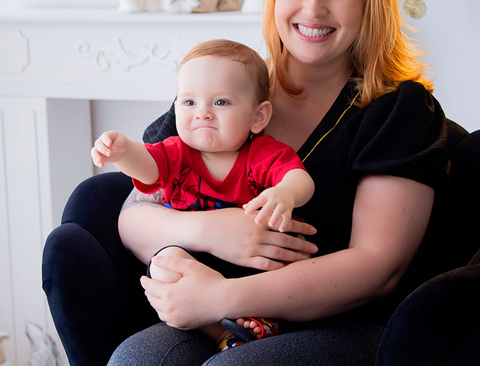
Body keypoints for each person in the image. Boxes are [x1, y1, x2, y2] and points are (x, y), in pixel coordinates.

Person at [43, 0, 449, 366]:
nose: (313, 10)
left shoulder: (397, 112)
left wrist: (225, 297)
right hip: (221, 327)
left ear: (370, 4)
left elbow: (377, 266)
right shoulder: (229, 87)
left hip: (344, 335)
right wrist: (218, 233)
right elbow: (131, 215)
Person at [90, 38, 314, 347]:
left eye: (221, 102)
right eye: (189, 102)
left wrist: (286, 193)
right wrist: (122, 151)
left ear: (258, 116)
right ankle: (225, 333)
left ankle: (264, 320)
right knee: (163, 263)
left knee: (290, 262)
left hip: (255, 264)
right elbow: (146, 166)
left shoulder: (260, 153)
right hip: (197, 265)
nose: (203, 113)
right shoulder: (176, 152)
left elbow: (299, 178)